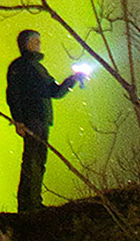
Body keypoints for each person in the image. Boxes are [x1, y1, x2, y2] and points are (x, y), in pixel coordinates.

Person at [5, 28, 82, 212]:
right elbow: (16, 94)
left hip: (39, 119)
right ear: (27, 44)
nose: (40, 44)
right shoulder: (24, 67)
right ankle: (29, 205)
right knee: (33, 161)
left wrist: (72, 80)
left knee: (37, 161)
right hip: (34, 119)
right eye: (36, 41)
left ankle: (32, 203)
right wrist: (19, 120)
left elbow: (51, 91)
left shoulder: (30, 67)